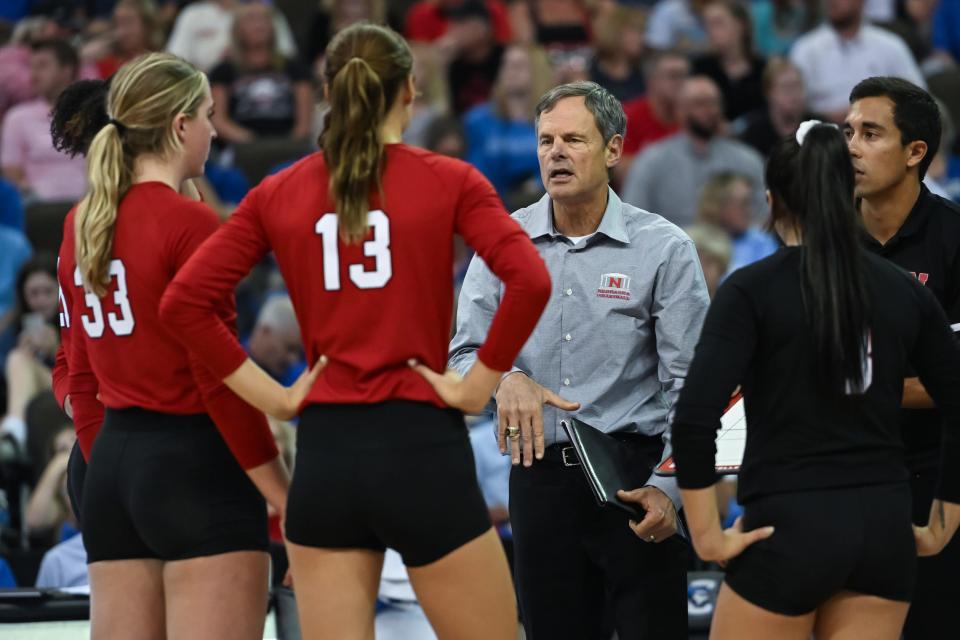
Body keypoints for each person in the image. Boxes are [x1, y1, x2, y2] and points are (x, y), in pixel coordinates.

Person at [159, 22, 551, 639]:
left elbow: (182, 305)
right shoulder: (450, 178)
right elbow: (531, 279)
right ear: (410, 93)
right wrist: (478, 386)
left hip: (326, 458)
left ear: (327, 93)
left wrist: (278, 399)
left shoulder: (277, 191)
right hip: (421, 447)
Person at [640, 119, 960, 639]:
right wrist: (945, 520)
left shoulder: (752, 290)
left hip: (787, 527)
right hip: (884, 529)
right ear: (848, 190)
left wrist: (707, 537)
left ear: (772, 200)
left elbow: (696, 417)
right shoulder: (904, 289)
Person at [450, 80, 709, 639]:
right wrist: (507, 379)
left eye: (573, 139)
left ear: (614, 149)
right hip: (539, 481)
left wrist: (672, 489)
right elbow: (462, 355)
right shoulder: (502, 242)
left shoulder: (663, 248)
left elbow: (695, 387)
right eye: (545, 141)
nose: (556, 153)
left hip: (636, 482)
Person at [66, 52, 289, 640]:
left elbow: (81, 376)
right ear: (179, 127)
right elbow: (219, 379)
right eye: (208, 116)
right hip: (195, 465)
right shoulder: (191, 227)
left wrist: (115, 469)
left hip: (111, 466)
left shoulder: (83, 220)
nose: (215, 130)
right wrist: (282, 496)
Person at [844, 76, 960, 640]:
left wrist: (853, 388)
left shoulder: (955, 241)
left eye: (870, 133)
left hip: (935, 477)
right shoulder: (824, 238)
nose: (853, 148)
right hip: (839, 474)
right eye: (848, 133)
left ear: (916, 152)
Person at [623, 75, 766, 228]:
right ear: (680, 110)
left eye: (714, 103)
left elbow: (763, 218)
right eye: (699, 103)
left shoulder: (747, 160)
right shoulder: (652, 160)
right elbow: (631, 218)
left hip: (735, 247)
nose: (709, 110)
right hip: (671, 246)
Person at [789, 0, 923, 123]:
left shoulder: (890, 46)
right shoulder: (805, 49)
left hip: (879, 132)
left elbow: (918, 97)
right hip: (821, 136)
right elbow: (791, 105)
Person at [209, 1, 314, 144]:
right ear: (237, 28)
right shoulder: (223, 71)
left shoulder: (295, 68)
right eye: (251, 19)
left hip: (287, 146)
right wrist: (252, 141)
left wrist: (286, 145)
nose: (258, 24)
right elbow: (218, 120)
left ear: (273, 27)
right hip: (241, 147)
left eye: (263, 19)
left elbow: (304, 124)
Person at [1, 39, 86, 202]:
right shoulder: (17, 117)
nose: (33, 74)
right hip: (37, 209)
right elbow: (11, 174)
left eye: (42, 66)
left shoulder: (93, 115)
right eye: (31, 67)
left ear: (66, 71)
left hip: (89, 207)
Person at [692, 0, 767, 122]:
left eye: (718, 23)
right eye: (707, 25)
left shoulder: (763, 69)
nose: (711, 31)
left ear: (741, 25)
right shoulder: (699, 69)